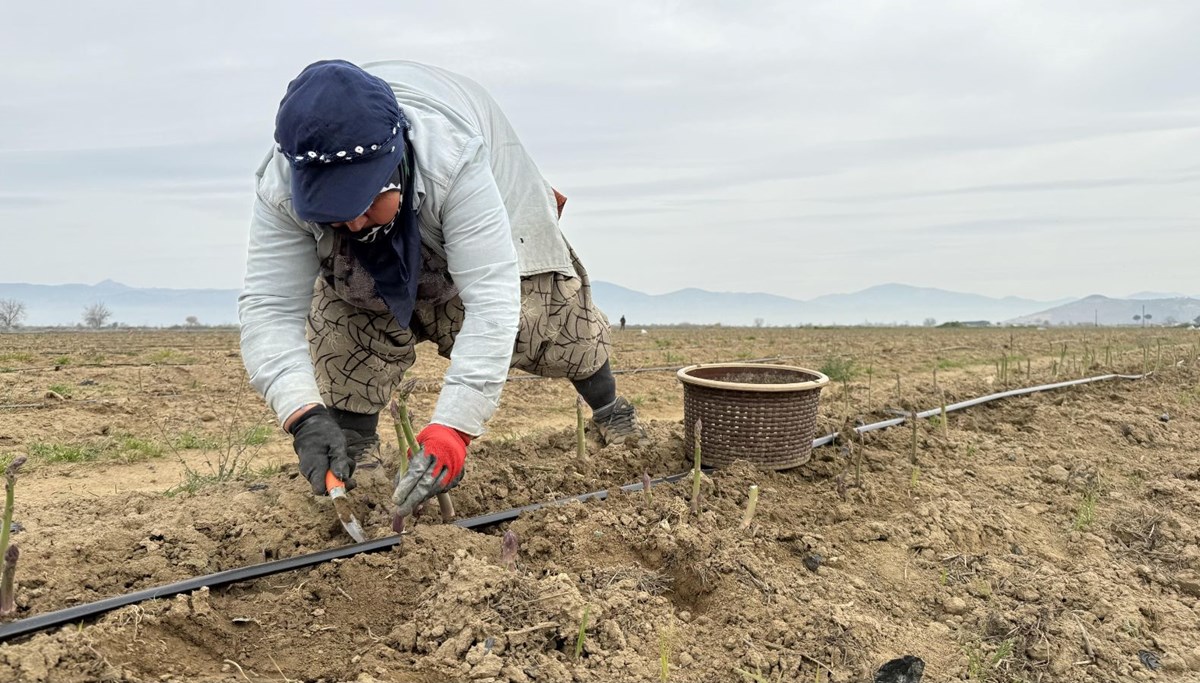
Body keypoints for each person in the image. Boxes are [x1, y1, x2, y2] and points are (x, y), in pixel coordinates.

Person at [239, 60, 647, 518]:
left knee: (544, 316)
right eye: (333, 210)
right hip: (370, 266)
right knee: (346, 309)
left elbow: (493, 299)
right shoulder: (281, 186)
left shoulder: (452, 157)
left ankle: (612, 409)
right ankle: (353, 443)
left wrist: (454, 428)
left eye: (368, 201)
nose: (354, 222)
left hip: (489, 200)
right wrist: (303, 416)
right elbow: (270, 310)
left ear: (396, 162)